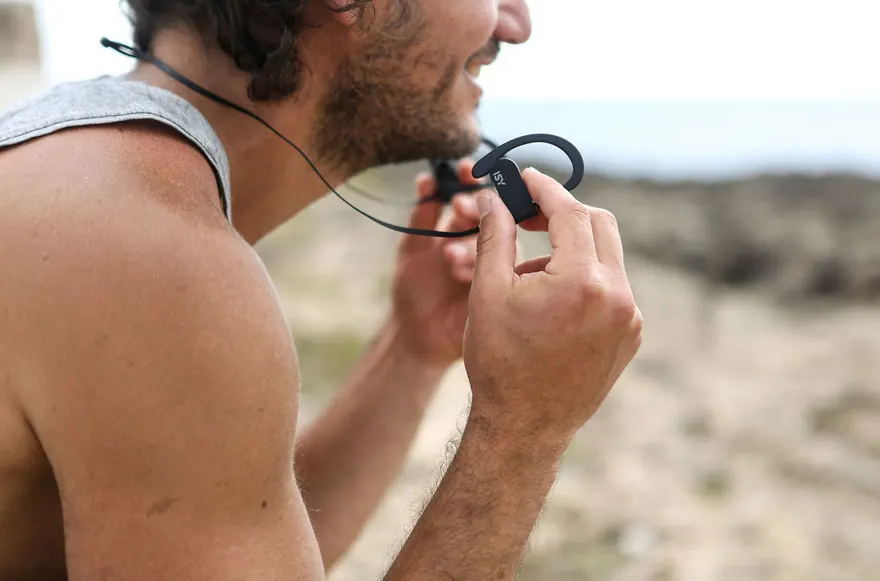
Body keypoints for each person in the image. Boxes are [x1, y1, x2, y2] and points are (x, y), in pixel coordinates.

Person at [0, 1, 643, 579]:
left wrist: (413, 351)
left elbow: (234, 544)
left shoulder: (80, 163)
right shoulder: (143, 250)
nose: (517, 22)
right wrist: (522, 430)